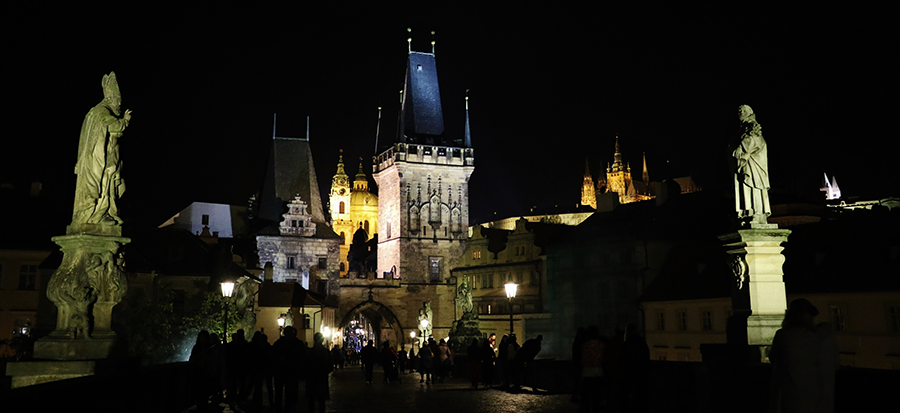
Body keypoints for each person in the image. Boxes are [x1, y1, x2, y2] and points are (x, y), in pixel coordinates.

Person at [72, 71, 132, 226]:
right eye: (118, 100)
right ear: (110, 98)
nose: (119, 104)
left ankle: (102, 213)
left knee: (105, 183)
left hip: (96, 159)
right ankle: (96, 215)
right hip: (95, 161)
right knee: (99, 187)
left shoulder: (93, 113)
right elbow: (115, 127)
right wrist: (125, 120)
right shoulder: (101, 112)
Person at [768, 298, 836, 413]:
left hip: (789, 387)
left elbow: (773, 357)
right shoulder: (818, 335)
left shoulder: (782, 335)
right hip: (814, 387)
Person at [731, 104, 771, 226]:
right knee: (747, 186)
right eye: (739, 111)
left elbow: (755, 139)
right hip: (746, 162)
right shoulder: (742, 128)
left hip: (754, 162)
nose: (741, 113)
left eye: (743, 110)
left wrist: (741, 148)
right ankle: (748, 212)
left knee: (755, 185)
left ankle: (758, 213)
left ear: (750, 112)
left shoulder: (753, 125)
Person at [272, 326, 305, 413]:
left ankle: (282, 406)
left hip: (284, 371)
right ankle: (289, 406)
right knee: (290, 390)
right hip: (290, 371)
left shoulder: (279, 343)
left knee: (282, 390)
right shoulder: (297, 343)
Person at [306, 332, 333, 413]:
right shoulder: (325, 352)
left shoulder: (310, 352)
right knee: (321, 401)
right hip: (321, 378)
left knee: (312, 400)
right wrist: (324, 372)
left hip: (312, 378)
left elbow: (306, 365)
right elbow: (330, 366)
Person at [189, 330, 216, 413]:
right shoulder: (196, 348)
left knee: (204, 397)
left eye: (204, 338)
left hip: (206, 375)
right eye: (201, 338)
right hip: (198, 375)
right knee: (199, 397)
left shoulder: (211, 348)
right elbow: (191, 360)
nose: (202, 340)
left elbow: (214, 361)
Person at [580, 326, 604, 413]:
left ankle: (587, 409)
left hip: (587, 371)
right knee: (596, 393)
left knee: (585, 394)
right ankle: (596, 409)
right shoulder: (601, 344)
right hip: (599, 371)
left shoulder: (585, 345)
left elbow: (583, 359)